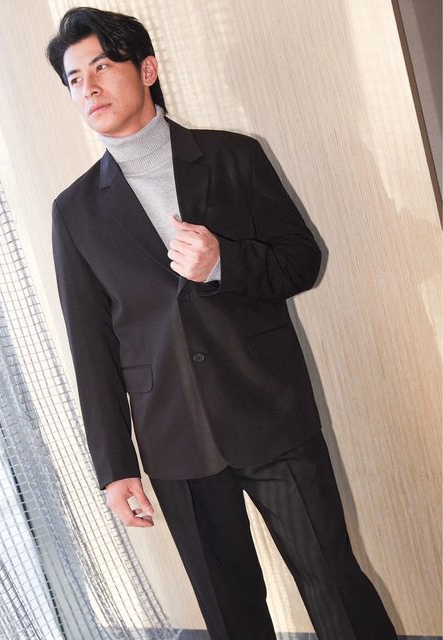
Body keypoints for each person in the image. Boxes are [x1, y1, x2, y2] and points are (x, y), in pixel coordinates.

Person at [46, 7, 398, 639]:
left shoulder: (234, 157)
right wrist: (115, 466)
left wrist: (222, 264)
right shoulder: (74, 212)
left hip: (269, 412)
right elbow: (90, 346)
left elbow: (302, 259)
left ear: (146, 69)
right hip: (173, 437)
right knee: (231, 617)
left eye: (101, 67)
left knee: (335, 585)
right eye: (74, 79)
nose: (88, 88)